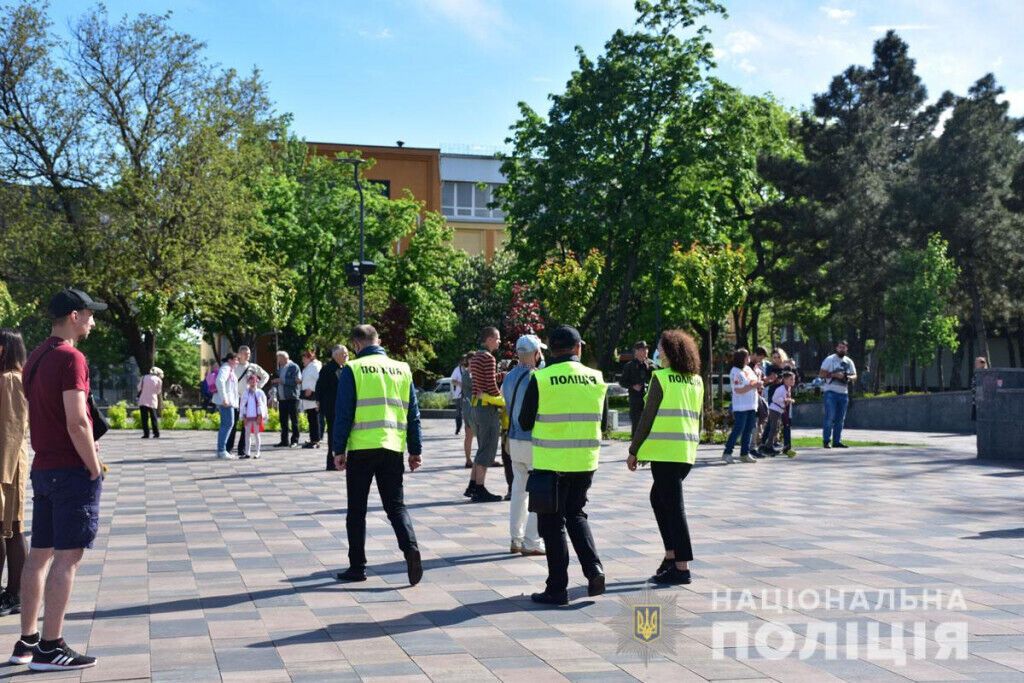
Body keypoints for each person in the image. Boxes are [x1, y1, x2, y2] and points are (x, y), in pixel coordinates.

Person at [14, 288, 107, 671]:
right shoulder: (71, 358)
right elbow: (77, 419)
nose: (92, 321)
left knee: (39, 555)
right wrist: (94, 465)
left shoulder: (35, 357)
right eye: (89, 314)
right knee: (68, 558)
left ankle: (28, 641)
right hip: (70, 470)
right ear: (72, 315)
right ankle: (51, 648)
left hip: (43, 467)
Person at [518, 325, 608, 606]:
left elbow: (524, 422)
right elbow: (603, 423)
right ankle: (594, 570)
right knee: (576, 514)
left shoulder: (540, 378)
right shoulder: (596, 378)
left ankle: (557, 588)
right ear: (578, 348)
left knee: (552, 523)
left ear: (550, 350)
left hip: (550, 463)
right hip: (585, 461)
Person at [333, 325, 423, 586]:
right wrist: (415, 450)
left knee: (356, 510)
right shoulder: (402, 369)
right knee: (396, 506)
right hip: (393, 447)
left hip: (361, 448)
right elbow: (413, 415)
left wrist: (338, 450)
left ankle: (357, 566)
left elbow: (344, 413)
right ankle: (410, 549)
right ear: (378, 340)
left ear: (357, 345)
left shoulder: (353, 369)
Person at [627, 329, 702, 586]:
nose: (658, 353)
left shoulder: (662, 378)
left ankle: (681, 566)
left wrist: (634, 449)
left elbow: (647, 417)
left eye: (661, 349)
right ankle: (671, 558)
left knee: (673, 506)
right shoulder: (696, 380)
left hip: (666, 453)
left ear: (670, 353)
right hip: (685, 452)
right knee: (659, 499)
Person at [501, 335, 546, 557]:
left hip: (514, 439)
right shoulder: (537, 377)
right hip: (532, 439)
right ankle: (532, 541)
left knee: (519, 490)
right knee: (537, 490)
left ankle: (515, 538)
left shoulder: (509, 377)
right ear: (536, 353)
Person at [0, 329, 29, 617]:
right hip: (4, 466)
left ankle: (16, 593)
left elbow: (12, 430)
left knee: (12, 528)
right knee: (4, 529)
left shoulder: (11, 380)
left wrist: (3, 475)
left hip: (7, 468)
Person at [466, 327, 504, 503]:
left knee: (481, 448)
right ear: (489, 339)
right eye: (497, 338)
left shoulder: (475, 358)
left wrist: (498, 376)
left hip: (475, 407)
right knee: (487, 449)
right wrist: (502, 399)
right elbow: (490, 386)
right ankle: (480, 489)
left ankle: (472, 485)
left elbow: (482, 380)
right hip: (487, 409)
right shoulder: (489, 358)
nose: (499, 341)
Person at [226, 346, 270, 458]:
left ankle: (242, 450)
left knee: (245, 426)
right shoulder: (234, 367)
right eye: (245, 353)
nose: (247, 355)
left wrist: (256, 387)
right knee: (232, 424)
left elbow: (265, 376)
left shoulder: (252, 367)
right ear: (239, 354)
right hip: (236, 399)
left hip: (248, 400)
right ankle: (228, 448)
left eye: (249, 353)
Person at [722, 348, 761, 464]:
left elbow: (753, 381)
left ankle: (744, 453)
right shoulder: (735, 371)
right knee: (738, 429)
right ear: (742, 358)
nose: (749, 358)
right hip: (741, 406)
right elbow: (739, 389)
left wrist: (756, 384)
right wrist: (753, 385)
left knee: (748, 430)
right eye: (747, 356)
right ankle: (727, 453)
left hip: (751, 404)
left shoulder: (748, 369)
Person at [819, 340, 857, 449]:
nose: (842, 349)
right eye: (840, 347)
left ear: (846, 349)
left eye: (844, 348)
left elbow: (855, 376)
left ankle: (837, 441)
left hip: (844, 393)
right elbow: (821, 374)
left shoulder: (849, 361)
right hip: (830, 392)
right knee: (829, 417)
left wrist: (847, 377)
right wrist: (834, 375)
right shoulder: (830, 359)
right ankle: (826, 441)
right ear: (836, 348)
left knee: (840, 419)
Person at [316, 345, 349, 470]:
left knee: (342, 435)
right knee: (333, 435)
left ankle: (341, 460)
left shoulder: (346, 368)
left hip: (343, 407)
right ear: (335, 355)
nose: (346, 356)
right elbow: (319, 387)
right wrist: (318, 402)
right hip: (331, 407)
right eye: (343, 354)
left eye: (346, 354)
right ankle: (331, 462)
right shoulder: (327, 369)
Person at [619, 341, 655, 437]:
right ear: (636, 351)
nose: (646, 351)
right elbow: (622, 382)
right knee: (636, 422)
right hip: (635, 398)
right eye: (643, 349)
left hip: (649, 397)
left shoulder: (652, 364)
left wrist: (650, 367)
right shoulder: (629, 366)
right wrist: (633, 386)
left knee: (649, 422)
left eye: (646, 349)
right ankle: (635, 444)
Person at [271, 351, 301, 447]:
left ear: (285, 358)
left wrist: (281, 380)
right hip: (282, 398)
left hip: (292, 398)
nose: (278, 361)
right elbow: (276, 382)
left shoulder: (294, 367)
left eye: (279, 358)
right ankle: (284, 441)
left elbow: (296, 381)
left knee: (294, 420)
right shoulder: (280, 368)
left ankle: (295, 440)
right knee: (283, 420)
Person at [213, 353, 240, 459]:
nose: (237, 362)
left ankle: (222, 450)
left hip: (229, 402)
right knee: (228, 424)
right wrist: (224, 398)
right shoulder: (226, 368)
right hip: (225, 402)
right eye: (236, 360)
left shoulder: (230, 370)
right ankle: (222, 450)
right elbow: (219, 381)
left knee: (227, 424)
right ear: (230, 360)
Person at [764, 372, 797, 458]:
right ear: (785, 380)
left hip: (779, 410)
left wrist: (787, 400)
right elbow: (775, 398)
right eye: (791, 379)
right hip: (774, 410)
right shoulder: (781, 389)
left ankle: (769, 445)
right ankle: (768, 447)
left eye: (794, 379)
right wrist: (786, 400)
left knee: (776, 428)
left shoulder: (788, 388)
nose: (793, 381)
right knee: (773, 428)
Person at [238, 374, 268, 460]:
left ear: (257, 382)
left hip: (256, 417)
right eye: (251, 381)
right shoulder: (245, 393)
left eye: (254, 381)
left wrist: (261, 415)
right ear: (248, 382)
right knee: (247, 435)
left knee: (256, 434)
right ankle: (247, 452)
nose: (252, 383)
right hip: (247, 417)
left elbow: (263, 405)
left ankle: (258, 452)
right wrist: (243, 416)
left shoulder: (260, 393)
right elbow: (242, 405)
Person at [300, 350, 322, 449]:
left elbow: (320, 380)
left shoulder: (314, 366)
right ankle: (313, 439)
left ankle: (316, 440)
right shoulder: (308, 367)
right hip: (308, 397)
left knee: (314, 419)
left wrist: (312, 389)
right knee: (311, 418)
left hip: (313, 396)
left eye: (304, 358)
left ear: (309, 358)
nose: (302, 360)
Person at [457, 353, 475, 468]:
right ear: (468, 361)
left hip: (473, 407)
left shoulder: (472, 373)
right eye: (471, 360)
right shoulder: (466, 374)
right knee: (469, 435)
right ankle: (468, 460)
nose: (473, 362)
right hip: (469, 408)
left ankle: (487, 458)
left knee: (482, 436)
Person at [137, 366, 163, 439]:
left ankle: (146, 434)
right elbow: (158, 391)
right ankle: (156, 433)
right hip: (152, 400)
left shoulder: (143, 377)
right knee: (153, 417)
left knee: (144, 418)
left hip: (143, 400)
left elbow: (139, 388)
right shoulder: (159, 380)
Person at [971, 356, 988, 423]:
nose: (975, 364)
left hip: (982, 401)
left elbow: (983, 387)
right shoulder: (976, 374)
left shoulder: (985, 374)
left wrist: (980, 399)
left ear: (982, 363)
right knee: (976, 418)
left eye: (977, 363)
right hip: (975, 399)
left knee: (982, 417)